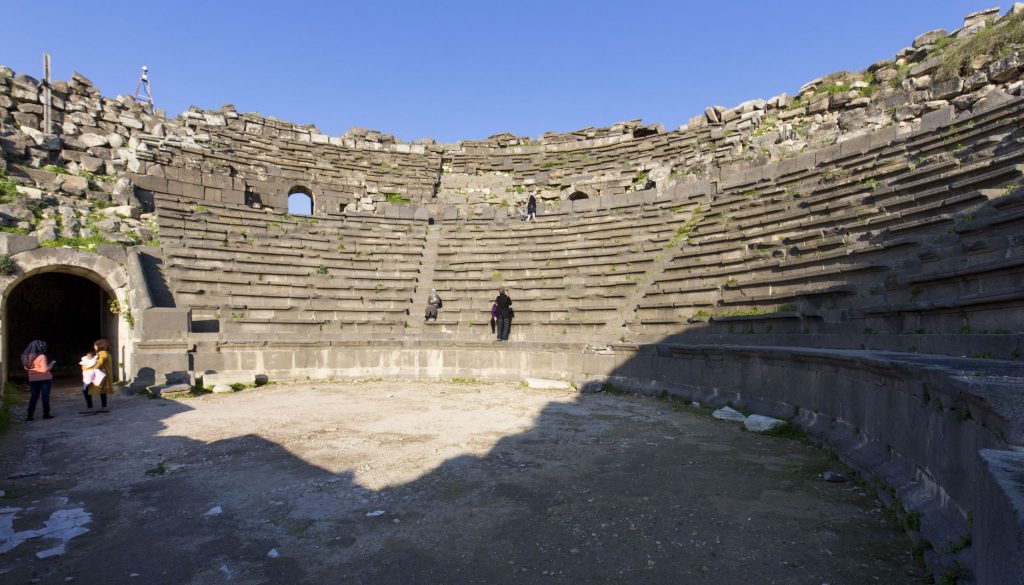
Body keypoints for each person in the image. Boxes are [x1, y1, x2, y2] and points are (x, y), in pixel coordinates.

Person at [22, 340, 55, 421]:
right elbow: (44, 370)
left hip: (32, 380)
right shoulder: (42, 356)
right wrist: (51, 364)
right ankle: (46, 414)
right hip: (44, 379)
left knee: (33, 397)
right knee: (45, 396)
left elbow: (26, 368)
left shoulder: (26, 357)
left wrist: (33, 369)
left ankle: (30, 416)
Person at [82, 338, 115, 411]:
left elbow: (96, 364)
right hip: (103, 376)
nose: (94, 347)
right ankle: (104, 407)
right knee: (102, 392)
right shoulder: (106, 353)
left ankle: (90, 407)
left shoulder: (102, 354)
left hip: (99, 376)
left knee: (86, 390)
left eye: (95, 345)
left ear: (100, 346)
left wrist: (84, 367)